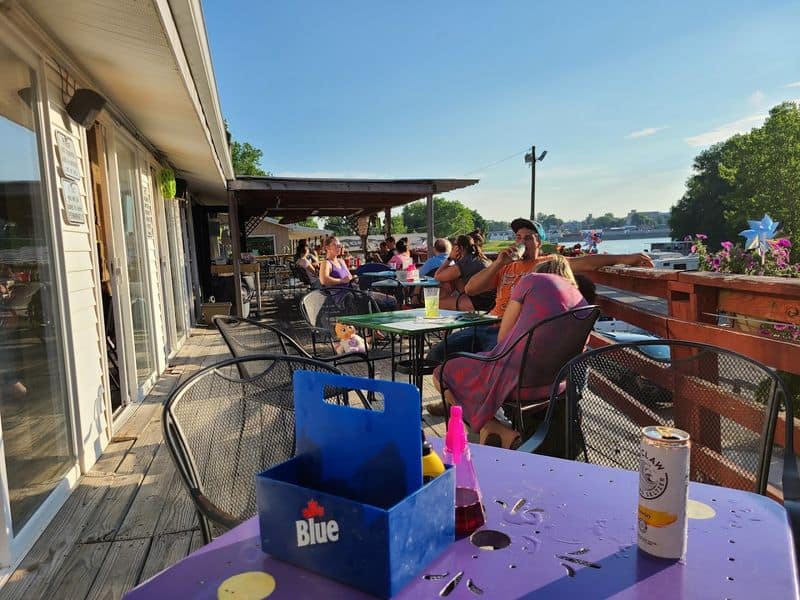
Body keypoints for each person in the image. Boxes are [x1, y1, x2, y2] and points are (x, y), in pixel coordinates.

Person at [426, 217, 652, 362]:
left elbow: (587, 262)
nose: (522, 241)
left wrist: (628, 257)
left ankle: (485, 415)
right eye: (518, 237)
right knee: (437, 354)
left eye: (528, 238)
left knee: (488, 362)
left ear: (539, 242)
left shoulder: (549, 263)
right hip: (488, 323)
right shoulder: (506, 265)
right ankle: (458, 400)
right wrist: (498, 264)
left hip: (514, 333)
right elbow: (472, 288)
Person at [433, 256, 586, 448]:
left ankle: (495, 429)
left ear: (539, 271)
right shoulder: (581, 300)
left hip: (516, 380)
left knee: (442, 372)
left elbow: (502, 338)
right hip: (555, 385)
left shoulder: (531, 281)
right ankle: (491, 430)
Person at [434, 233, 495, 312]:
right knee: (454, 281)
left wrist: (450, 258)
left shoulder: (465, 262)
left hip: (481, 301)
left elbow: (437, 276)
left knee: (435, 304)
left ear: (460, 248)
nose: (452, 248)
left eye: (454, 245)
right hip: (491, 299)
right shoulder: (482, 258)